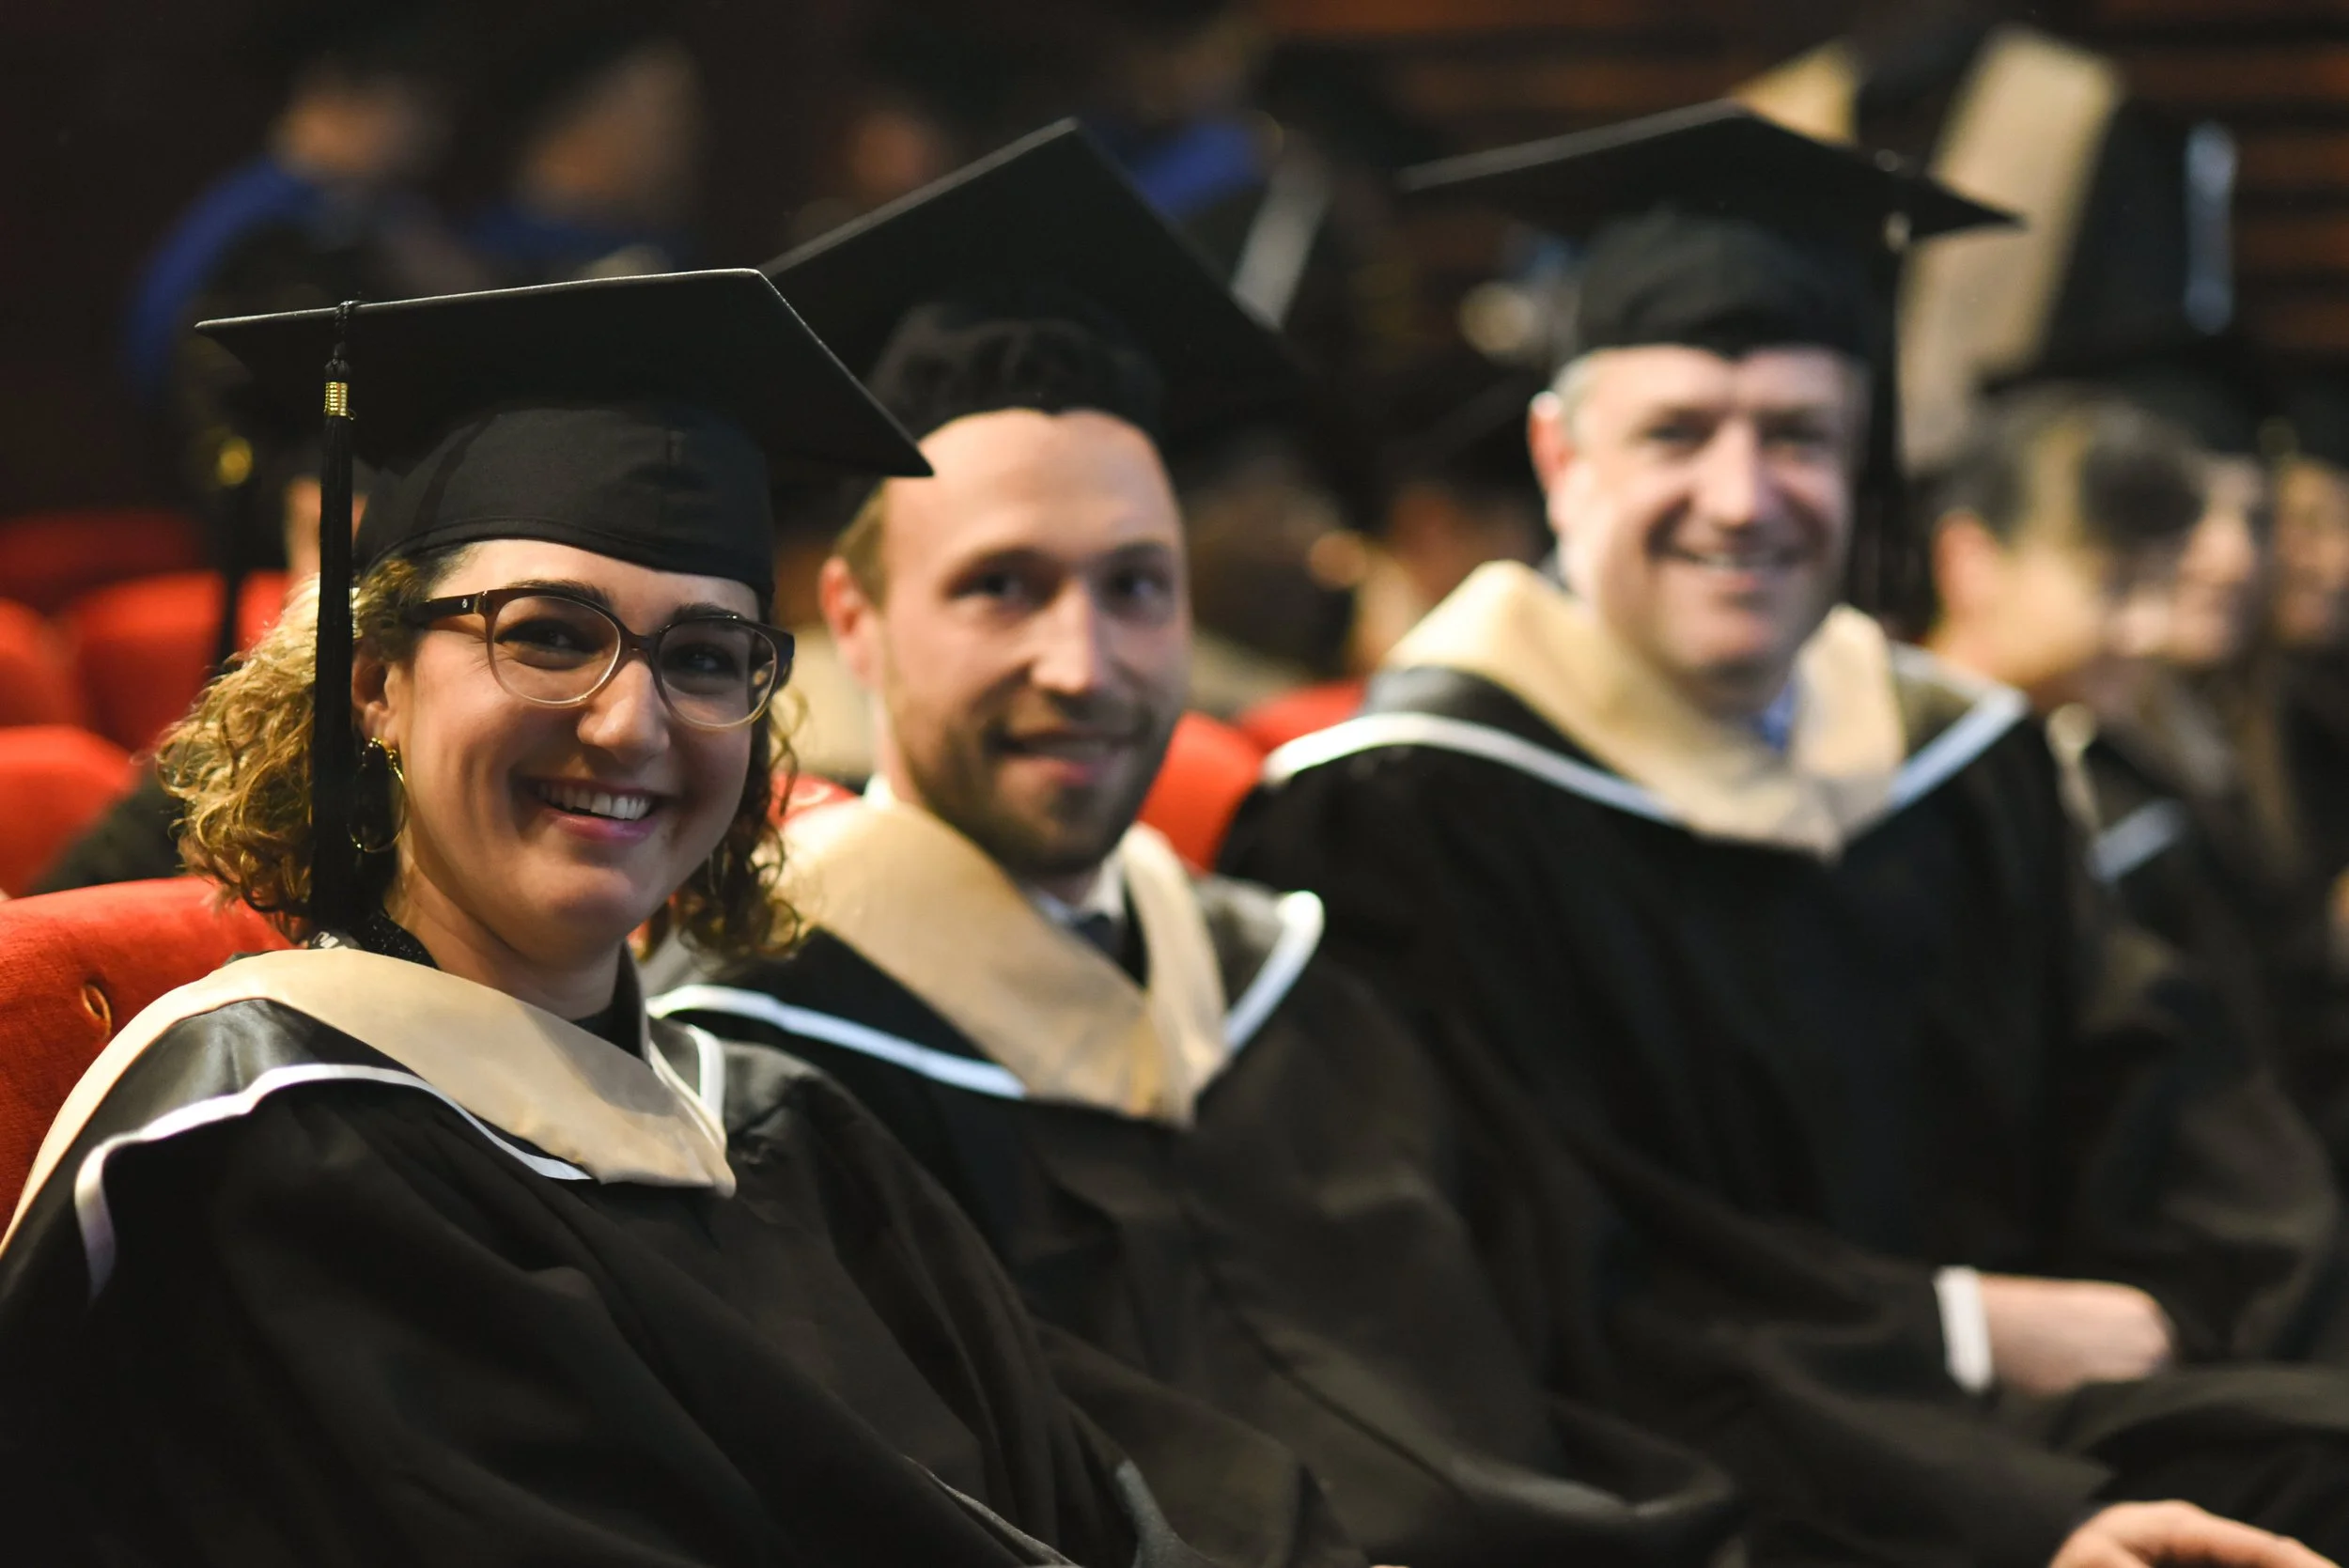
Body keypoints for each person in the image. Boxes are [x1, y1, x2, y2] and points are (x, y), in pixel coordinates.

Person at [661, 125, 2344, 1568]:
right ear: (854, 628)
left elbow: (1538, 1390)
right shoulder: (778, 1059)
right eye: (1001, 587)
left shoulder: (1264, 989)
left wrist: (2027, 1507)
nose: (1084, 660)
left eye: (1137, 587)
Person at [0, 269, 1354, 1567]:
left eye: (705, 657)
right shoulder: (276, 1158)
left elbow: (1095, 1490)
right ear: (376, 684)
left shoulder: (785, 1134)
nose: (630, 722)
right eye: (546, 633)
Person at [1228, 103, 2349, 1545]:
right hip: (1708, 1483)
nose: (1742, 497)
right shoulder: (1411, 811)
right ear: (1562, 459)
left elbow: (2178, 1121)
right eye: (1678, 433)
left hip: (2040, 1431)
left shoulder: (1956, 761)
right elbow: (1547, 1286)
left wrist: (2232, 1333)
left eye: (1798, 435)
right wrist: (1953, 1336)